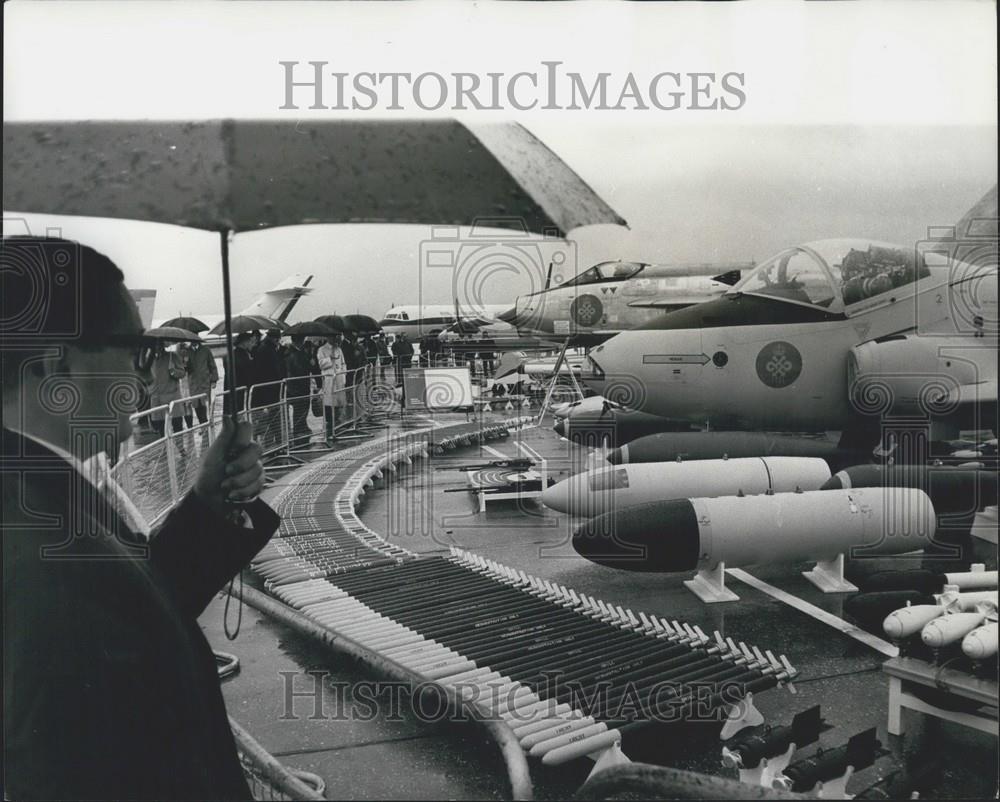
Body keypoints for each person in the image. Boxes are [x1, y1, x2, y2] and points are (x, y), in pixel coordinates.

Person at [2, 236, 277, 800]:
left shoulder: (40, 493)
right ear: (59, 361)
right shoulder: (38, 552)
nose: (147, 376)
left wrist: (206, 503)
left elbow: (132, 608)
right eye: (134, 350)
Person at [250, 330, 286, 448]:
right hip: (270, 390)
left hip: (268, 389)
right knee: (272, 419)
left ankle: (273, 444)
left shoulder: (264, 348)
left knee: (271, 419)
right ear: (274, 338)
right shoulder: (267, 350)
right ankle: (274, 445)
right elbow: (273, 370)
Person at [149, 342, 187, 436]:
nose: (157, 347)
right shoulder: (150, 360)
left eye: (159, 345)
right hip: (157, 398)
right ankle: (165, 449)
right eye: (155, 345)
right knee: (161, 428)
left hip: (172, 397)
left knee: (177, 425)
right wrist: (150, 390)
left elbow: (182, 373)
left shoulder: (172, 356)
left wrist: (173, 371)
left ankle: (181, 448)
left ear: (163, 345)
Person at [284, 334, 315, 447]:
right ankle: (298, 429)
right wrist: (309, 363)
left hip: (300, 386)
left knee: (303, 407)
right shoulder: (293, 354)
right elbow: (299, 369)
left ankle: (302, 426)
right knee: (300, 408)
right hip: (297, 386)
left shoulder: (296, 353)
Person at [316, 333, 347, 447]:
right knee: (329, 404)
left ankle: (337, 426)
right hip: (329, 380)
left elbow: (343, 363)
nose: (335, 339)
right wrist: (330, 358)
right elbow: (321, 364)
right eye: (333, 337)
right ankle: (329, 428)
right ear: (328, 337)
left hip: (339, 379)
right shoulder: (321, 350)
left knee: (339, 404)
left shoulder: (339, 349)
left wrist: (343, 375)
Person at [182, 339, 219, 425]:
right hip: (193, 383)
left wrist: (214, 380)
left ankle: (206, 424)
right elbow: (186, 370)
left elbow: (212, 365)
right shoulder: (186, 351)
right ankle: (203, 425)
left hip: (205, 382)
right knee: (196, 406)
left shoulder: (205, 349)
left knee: (205, 404)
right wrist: (185, 362)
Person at [223, 331, 256, 415]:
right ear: (244, 343)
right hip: (240, 392)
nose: (252, 344)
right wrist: (250, 361)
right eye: (250, 342)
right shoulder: (243, 356)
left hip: (230, 391)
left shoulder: (231, 355)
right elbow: (248, 374)